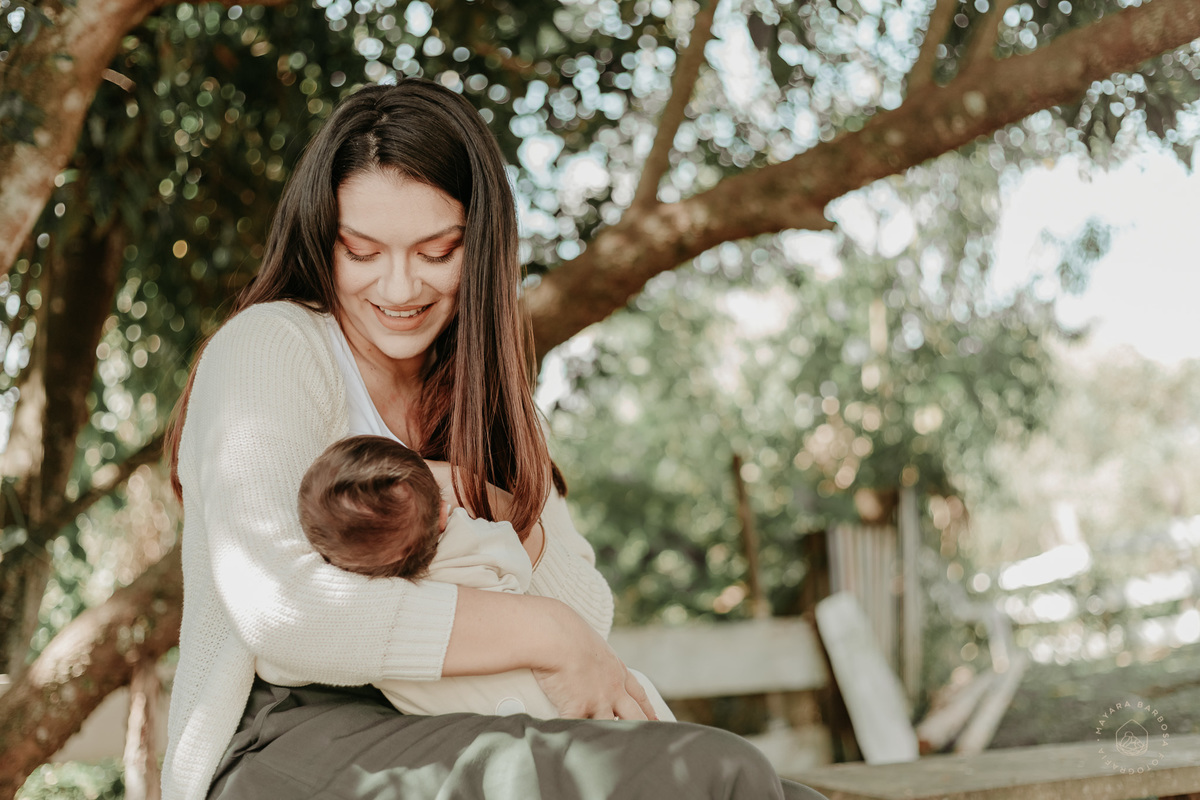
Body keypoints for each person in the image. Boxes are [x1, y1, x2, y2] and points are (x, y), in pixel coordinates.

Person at [163, 77, 827, 799]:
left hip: (471, 711)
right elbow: (284, 611)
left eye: (435, 249)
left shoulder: (477, 386)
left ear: (477, 246)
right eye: (362, 250)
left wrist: (502, 512)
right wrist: (543, 632)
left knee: (783, 794)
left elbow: (587, 611)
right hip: (289, 736)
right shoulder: (272, 346)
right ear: (323, 240)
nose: (398, 285)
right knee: (709, 775)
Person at [283, 433, 674, 720]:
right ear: (441, 511)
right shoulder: (474, 540)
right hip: (565, 699)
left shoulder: (364, 603)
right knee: (644, 710)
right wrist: (475, 497)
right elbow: (519, 564)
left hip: (484, 729)